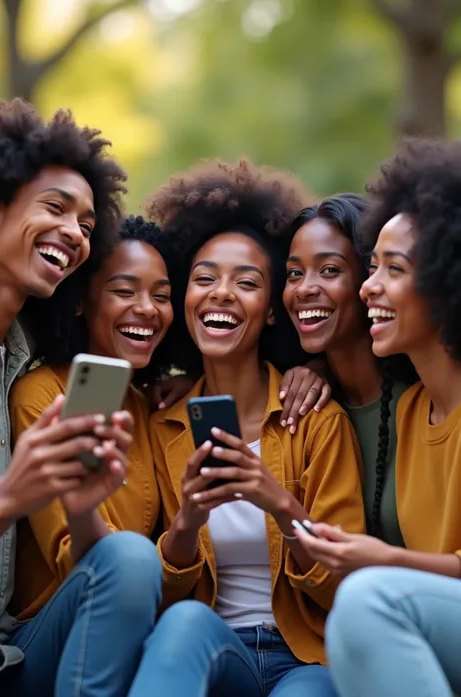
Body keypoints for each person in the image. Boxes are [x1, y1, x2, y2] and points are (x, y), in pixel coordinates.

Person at [131, 158, 366, 697]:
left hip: (305, 657)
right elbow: (160, 607)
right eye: (204, 279)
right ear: (185, 301)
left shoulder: (315, 418)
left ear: (272, 311)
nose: (220, 293)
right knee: (184, 625)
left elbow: (345, 589)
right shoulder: (160, 421)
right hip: (212, 648)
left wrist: (279, 503)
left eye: (247, 282)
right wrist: (187, 523)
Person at [0, 99, 160, 697]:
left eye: (87, 224)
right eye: (56, 208)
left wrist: (85, 508)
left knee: (131, 559)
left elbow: (93, 570)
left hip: (11, 654)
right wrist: (7, 498)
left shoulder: (24, 365)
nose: (74, 233)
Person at [291, 138, 461, 697]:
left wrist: (384, 560)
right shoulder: (409, 410)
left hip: (403, 608)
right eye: (373, 267)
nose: (370, 287)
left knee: (367, 602)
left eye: (394, 269)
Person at [282, 194, 416, 543]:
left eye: (330, 270)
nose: (305, 288)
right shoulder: (301, 405)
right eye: (294, 273)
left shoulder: (424, 400)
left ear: (369, 279)